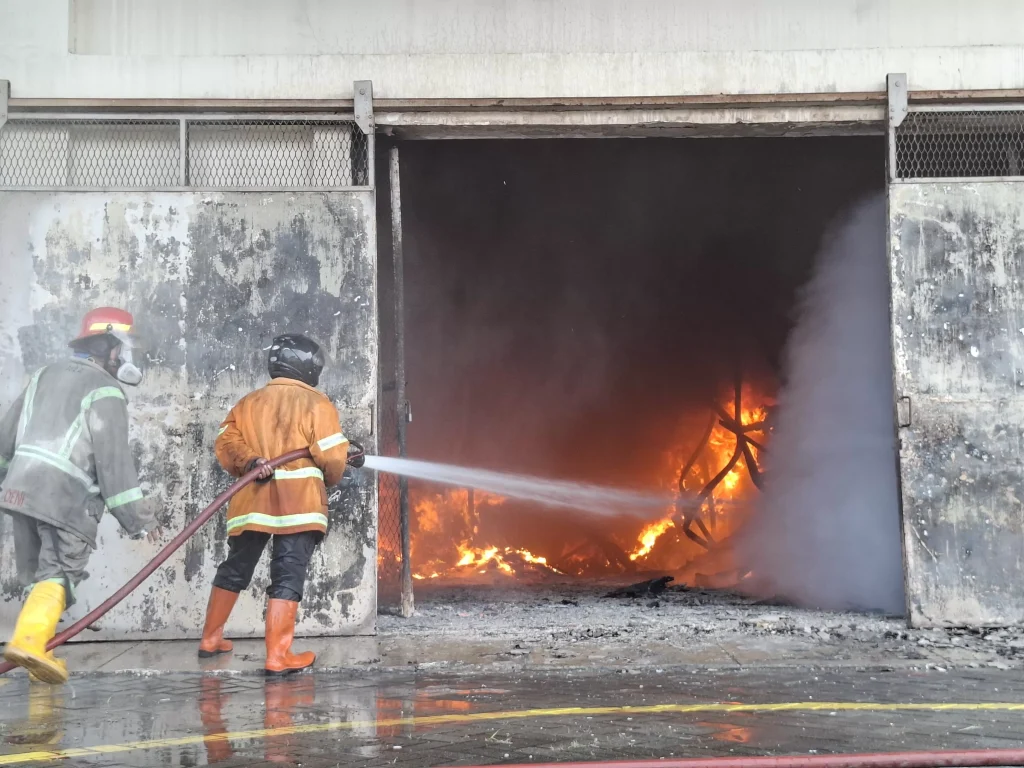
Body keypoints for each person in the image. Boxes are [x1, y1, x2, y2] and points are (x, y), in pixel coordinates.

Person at [0, 307, 158, 684]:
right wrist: (139, 520)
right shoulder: (106, 391)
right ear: (111, 348)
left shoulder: (43, 375)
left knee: (39, 577)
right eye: (125, 348)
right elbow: (114, 466)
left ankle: (40, 652)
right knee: (59, 572)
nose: (128, 357)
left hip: (21, 492)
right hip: (65, 498)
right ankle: (30, 642)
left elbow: (6, 436)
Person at [198, 333, 363, 675]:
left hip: (251, 504)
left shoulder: (249, 403)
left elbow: (226, 442)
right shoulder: (317, 404)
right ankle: (278, 657)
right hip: (298, 508)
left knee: (236, 567)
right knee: (287, 576)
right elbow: (332, 458)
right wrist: (333, 473)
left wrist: (251, 462)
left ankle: (211, 639)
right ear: (308, 367)